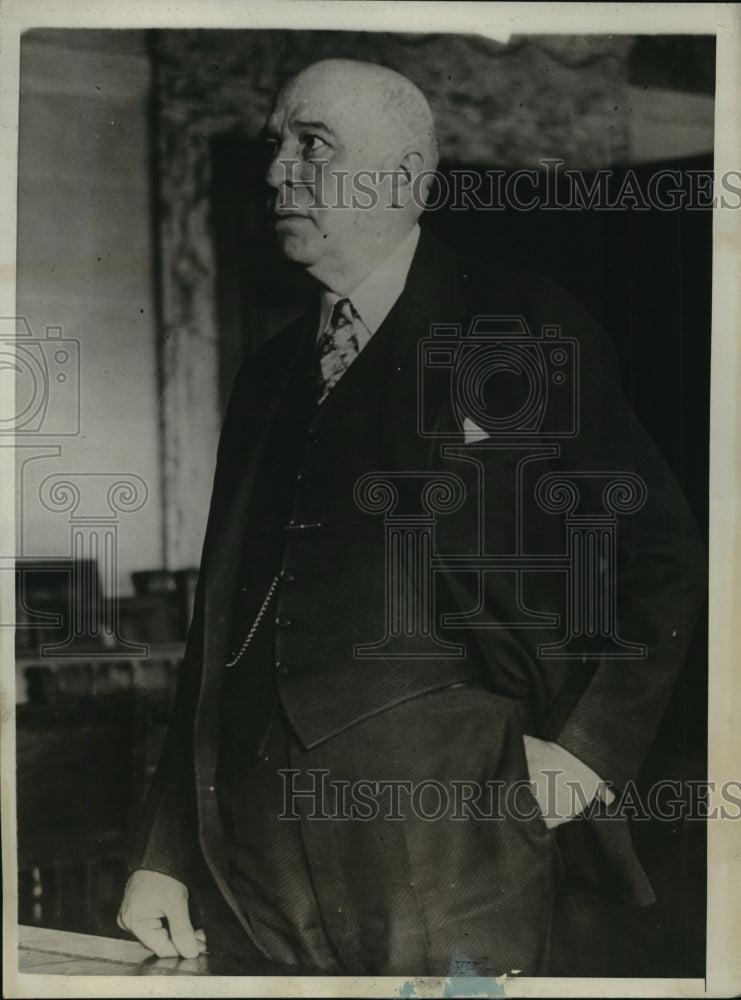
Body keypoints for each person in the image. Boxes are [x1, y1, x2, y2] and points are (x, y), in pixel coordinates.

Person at [118, 59, 706, 977]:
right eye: (276, 146)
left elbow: (658, 553)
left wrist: (589, 753)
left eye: (312, 147)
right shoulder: (268, 375)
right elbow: (216, 630)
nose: (276, 172)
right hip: (251, 850)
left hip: (452, 837)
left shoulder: (515, 325)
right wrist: (164, 853)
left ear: (402, 179)